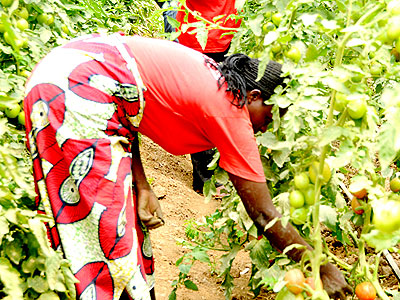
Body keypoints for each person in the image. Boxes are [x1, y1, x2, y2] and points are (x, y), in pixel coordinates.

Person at [23, 32, 350, 300]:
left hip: (82, 79)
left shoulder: (215, 83)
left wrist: (141, 184)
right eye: (272, 113)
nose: (270, 126)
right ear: (253, 96)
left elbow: (126, 107)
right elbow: (263, 213)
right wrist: (318, 266)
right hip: (75, 89)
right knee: (104, 229)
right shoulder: (228, 109)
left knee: (123, 228)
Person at [156, 0, 242, 193]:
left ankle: (216, 172)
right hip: (198, 33)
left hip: (224, 31)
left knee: (221, 100)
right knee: (200, 103)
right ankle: (205, 178)